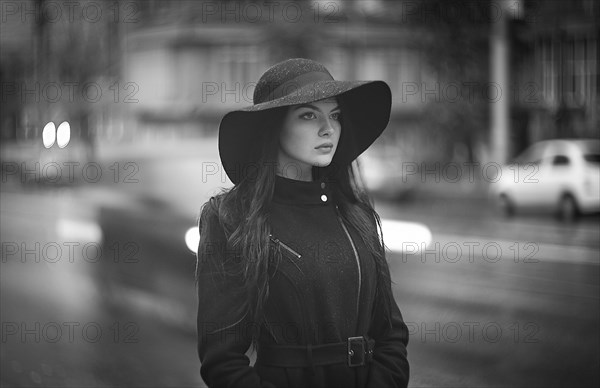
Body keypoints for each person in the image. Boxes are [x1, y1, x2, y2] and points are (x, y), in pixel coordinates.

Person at [195, 58, 409, 388]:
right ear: (274, 125)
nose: (328, 129)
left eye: (335, 115)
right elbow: (222, 362)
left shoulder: (355, 212)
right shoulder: (232, 218)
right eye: (309, 115)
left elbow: (391, 335)